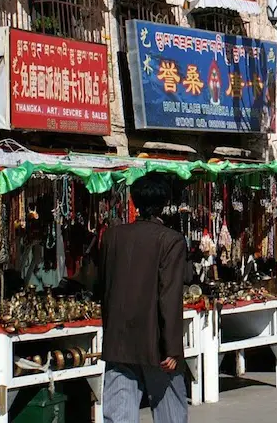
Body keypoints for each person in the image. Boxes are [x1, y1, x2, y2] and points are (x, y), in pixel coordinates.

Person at [99, 173, 189, 423]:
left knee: (119, 413)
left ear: (134, 202)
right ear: (163, 204)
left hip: (119, 341)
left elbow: (105, 288)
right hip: (155, 343)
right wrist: (172, 348)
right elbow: (169, 296)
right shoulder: (171, 240)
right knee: (169, 411)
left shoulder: (112, 236)